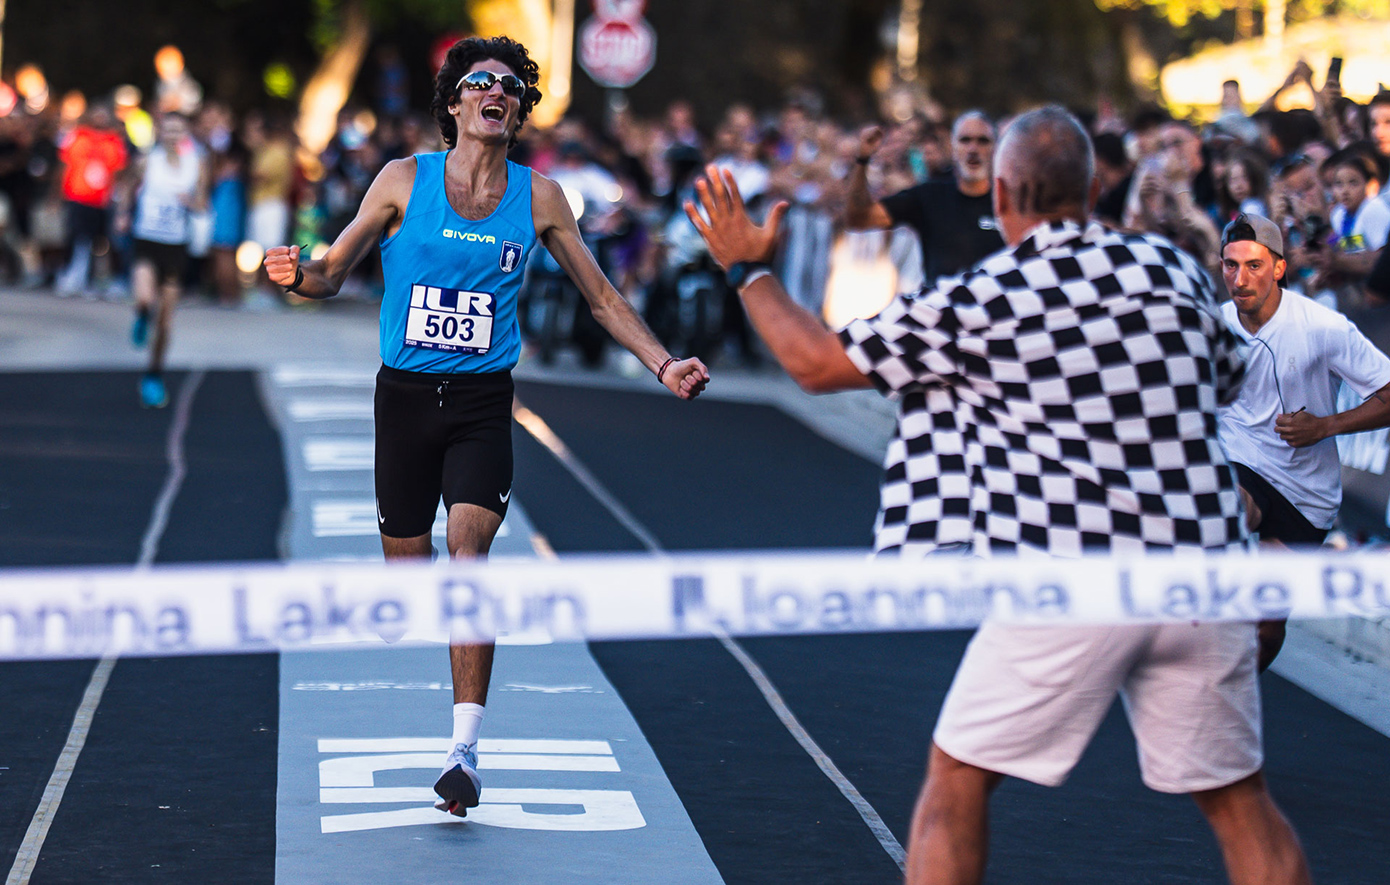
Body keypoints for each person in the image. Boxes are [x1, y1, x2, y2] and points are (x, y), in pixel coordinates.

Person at [685, 105, 1311, 885]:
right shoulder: (1173, 271)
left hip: (1073, 574)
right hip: (1200, 573)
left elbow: (815, 363)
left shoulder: (988, 296)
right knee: (1241, 802)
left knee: (957, 779)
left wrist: (750, 268)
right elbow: (1230, 375)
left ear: (1004, 194)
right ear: (1090, 188)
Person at [262, 35, 708, 818]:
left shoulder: (540, 198)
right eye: (479, 82)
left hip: (479, 403)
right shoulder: (404, 179)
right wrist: (299, 275)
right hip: (402, 398)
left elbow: (602, 296)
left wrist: (663, 363)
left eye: (510, 85)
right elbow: (333, 272)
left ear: (519, 109)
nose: (495, 91)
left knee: (469, 562)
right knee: (409, 575)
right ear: (456, 105)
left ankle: (463, 752)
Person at [1216, 212, 1390, 668]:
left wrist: (1325, 426)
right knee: (1228, 508)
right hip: (1241, 459)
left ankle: (1238, 677)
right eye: (1230, 265)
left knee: (1268, 625)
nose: (1240, 278)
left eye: (1254, 265)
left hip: (1306, 490)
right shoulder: (1211, 327)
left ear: (1278, 268)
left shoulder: (1322, 327)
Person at [846, 110, 1002, 288]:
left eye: (983, 141)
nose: (973, 149)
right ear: (952, 147)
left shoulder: (1009, 202)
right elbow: (858, 218)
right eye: (965, 140)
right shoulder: (929, 196)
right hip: (941, 311)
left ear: (997, 148)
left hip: (995, 312)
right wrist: (862, 159)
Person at [121, 111, 209, 408]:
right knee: (145, 297)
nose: (172, 135)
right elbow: (126, 188)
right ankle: (140, 315)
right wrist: (123, 213)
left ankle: (153, 375)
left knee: (166, 321)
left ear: (185, 133)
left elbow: (202, 204)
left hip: (176, 245)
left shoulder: (196, 165)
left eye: (178, 130)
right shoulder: (147, 161)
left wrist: (191, 202)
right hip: (147, 239)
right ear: (160, 131)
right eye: (168, 130)